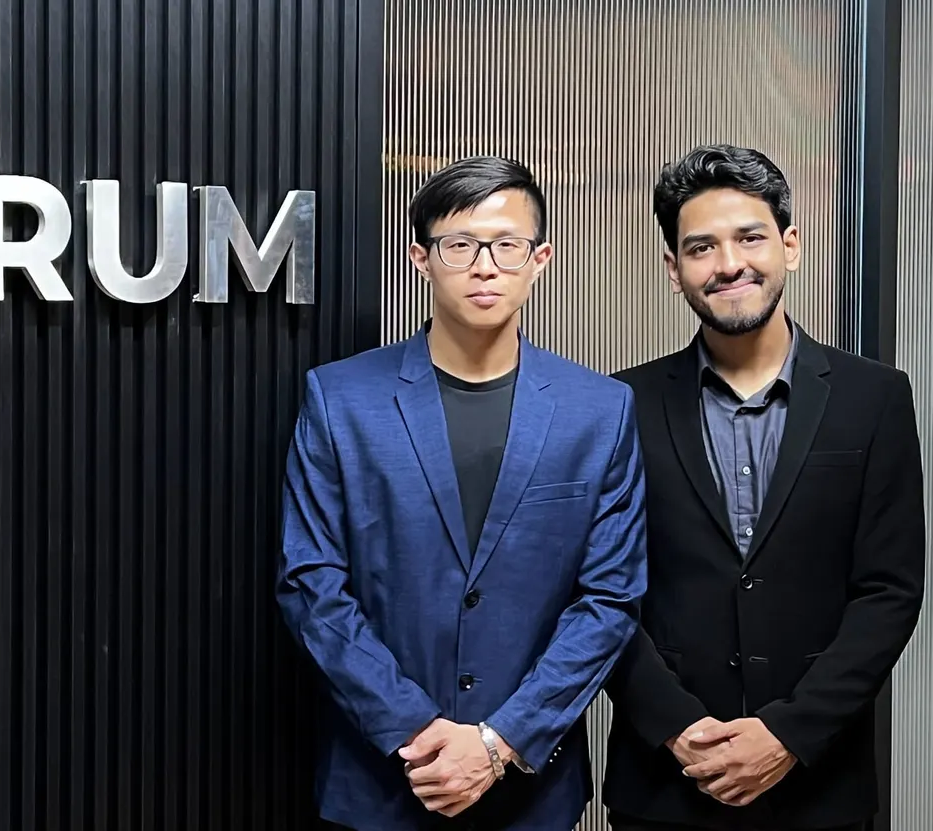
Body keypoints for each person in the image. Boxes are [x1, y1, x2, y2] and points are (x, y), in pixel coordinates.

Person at [276, 155, 648, 830]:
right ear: (421, 258)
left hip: (530, 793)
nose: (484, 267)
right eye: (460, 245)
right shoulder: (341, 398)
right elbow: (311, 584)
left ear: (539, 260)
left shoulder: (600, 410)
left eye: (507, 245)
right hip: (382, 784)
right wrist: (415, 729)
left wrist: (499, 742)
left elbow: (610, 598)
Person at [602, 144, 926, 831]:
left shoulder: (875, 398)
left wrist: (790, 732)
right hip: (664, 785)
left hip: (820, 784)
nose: (728, 264)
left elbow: (889, 590)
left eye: (750, 237)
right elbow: (601, 593)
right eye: (701, 247)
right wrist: (679, 728)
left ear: (790, 246)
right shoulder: (618, 405)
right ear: (673, 270)